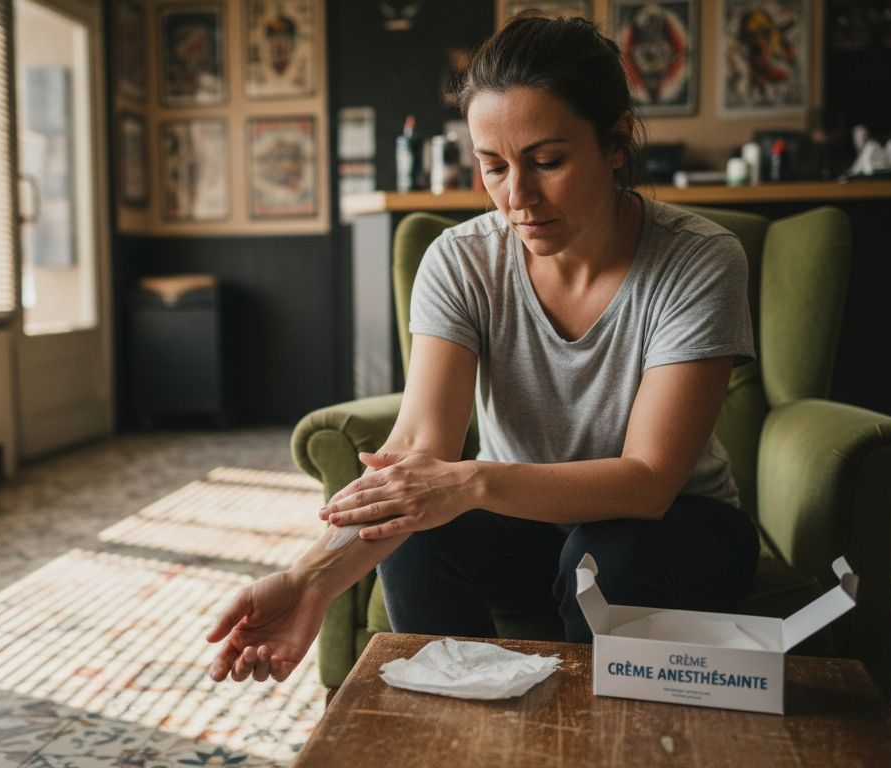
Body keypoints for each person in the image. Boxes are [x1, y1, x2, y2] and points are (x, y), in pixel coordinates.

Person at [206, 14, 758, 685]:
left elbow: (648, 481)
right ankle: (463, 731)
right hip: (525, 526)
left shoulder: (698, 260)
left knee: (602, 557)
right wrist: (309, 581)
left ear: (615, 142)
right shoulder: (461, 262)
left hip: (675, 531)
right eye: (493, 166)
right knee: (419, 536)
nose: (517, 198)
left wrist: (470, 481)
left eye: (548, 162)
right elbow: (417, 450)